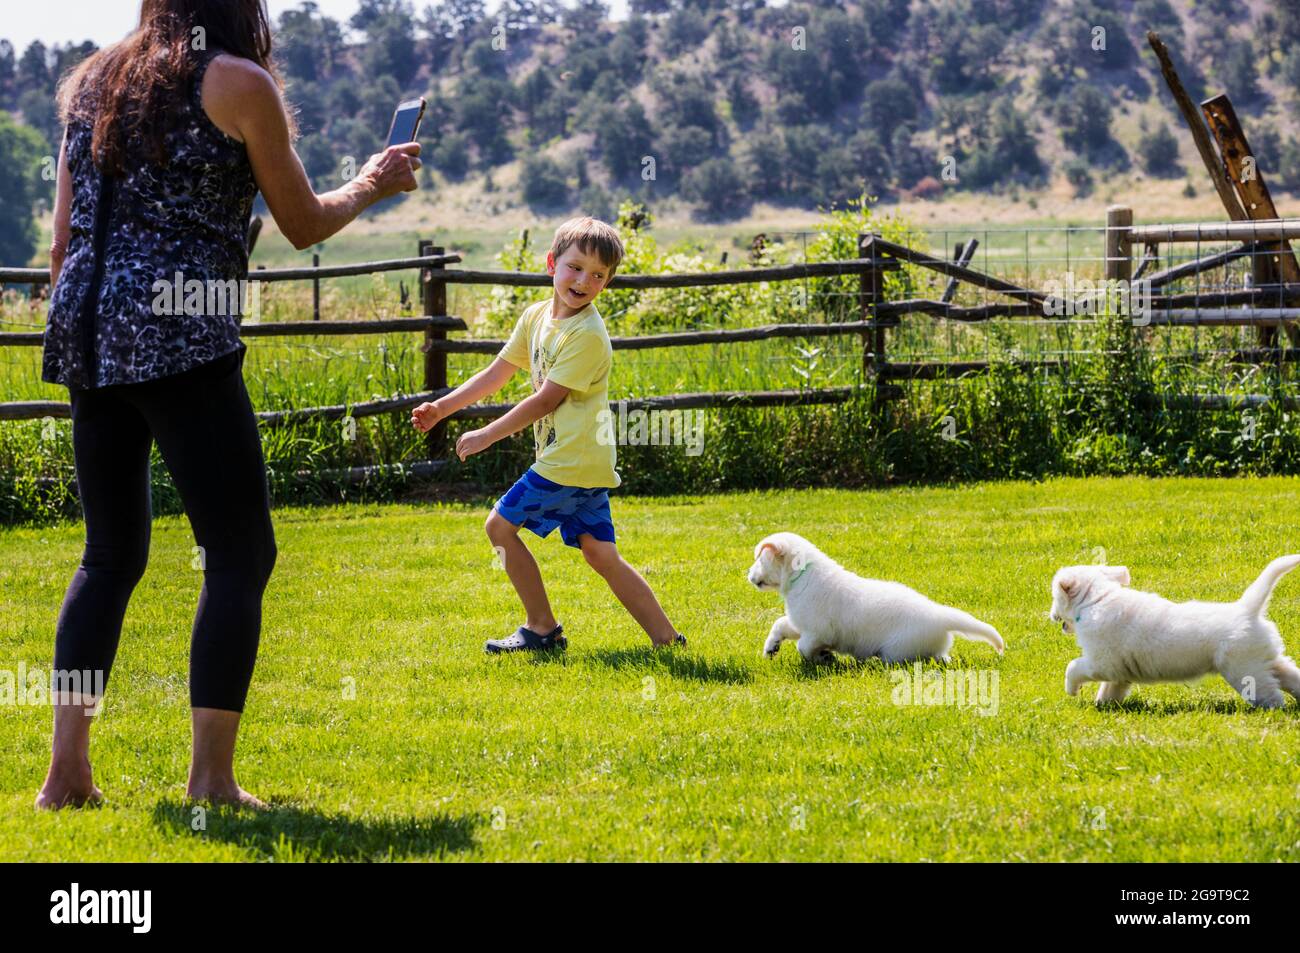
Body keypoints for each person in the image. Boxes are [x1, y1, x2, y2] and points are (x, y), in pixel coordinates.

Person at [37, 0, 421, 809]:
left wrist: (88, 316)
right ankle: (210, 780)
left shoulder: (90, 82)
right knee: (240, 553)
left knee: (108, 557)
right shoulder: (237, 82)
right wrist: (372, 183)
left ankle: (65, 775)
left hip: (87, 328)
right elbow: (304, 221)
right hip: (179, 336)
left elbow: (63, 241)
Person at [411, 217, 685, 654]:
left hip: (570, 460)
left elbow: (544, 401)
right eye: (575, 267)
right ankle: (667, 640)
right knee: (601, 555)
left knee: (499, 527)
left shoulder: (588, 335)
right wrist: (443, 408)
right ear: (551, 262)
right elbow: (497, 374)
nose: (584, 281)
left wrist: (486, 435)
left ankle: (541, 629)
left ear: (607, 282)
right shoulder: (536, 317)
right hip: (585, 461)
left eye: (598, 275)